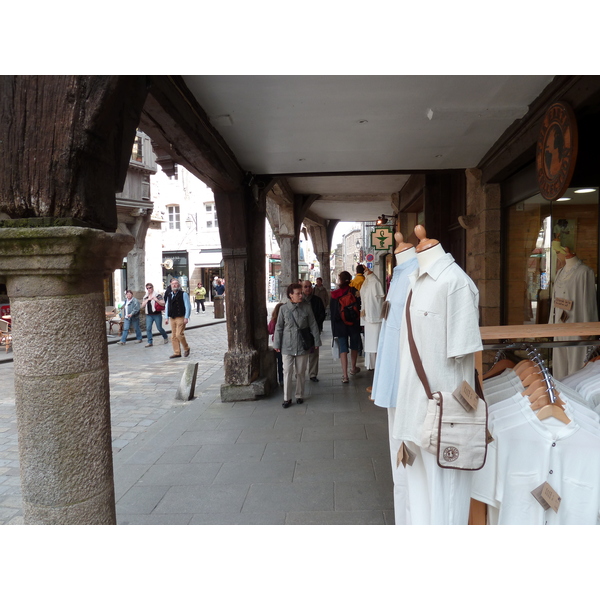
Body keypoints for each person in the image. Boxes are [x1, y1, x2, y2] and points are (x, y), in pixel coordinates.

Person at [273, 283, 321, 408]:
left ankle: (299, 395)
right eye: (298, 293)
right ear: (290, 295)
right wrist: (276, 343)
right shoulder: (283, 309)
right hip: (287, 345)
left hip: (302, 344)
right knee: (287, 371)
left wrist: (317, 341)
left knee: (300, 371)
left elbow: (313, 324)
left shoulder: (306, 307)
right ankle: (286, 398)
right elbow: (278, 328)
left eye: (301, 293)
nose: (301, 295)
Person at [331, 271, 362, 383]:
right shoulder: (355, 292)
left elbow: (333, 313)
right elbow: (359, 307)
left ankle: (344, 375)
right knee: (354, 345)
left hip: (340, 325)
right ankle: (353, 368)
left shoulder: (335, 294)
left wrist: (334, 330)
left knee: (343, 348)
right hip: (353, 323)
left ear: (340, 280)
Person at [302, 280, 326, 382]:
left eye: (309, 286)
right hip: (302, 331)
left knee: (314, 352)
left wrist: (316, 324)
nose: (308, 289)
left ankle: (313, 374)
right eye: (305, 287)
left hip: (314, 329)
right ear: (302, 288)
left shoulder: (317, 300)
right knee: (302, 353)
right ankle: (300, 373)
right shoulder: (299, 300)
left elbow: (322, 313)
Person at [164, 277, 191, 358]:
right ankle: (177, 352)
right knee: (173, 336)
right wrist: (166, 317)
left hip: (180, 317)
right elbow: (167, 306)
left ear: (178, 285)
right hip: (172, 317)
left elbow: (187, 306)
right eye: (172, 284)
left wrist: (186, 317)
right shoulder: (169, 294)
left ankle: (186, 348)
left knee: (179, 334)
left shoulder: (183, 294)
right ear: (170, 285)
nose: (174, 285)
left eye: (176, 284)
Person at [141, 283, 169, 347]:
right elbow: (142, 305)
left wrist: (156, 300)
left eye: (150, 287)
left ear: (152, 288)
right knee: (148, 328)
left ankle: (165, 337)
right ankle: (150, 342)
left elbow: (163, 303)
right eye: (147, 288)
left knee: (159, 328)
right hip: (149, 314)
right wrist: (148, 299)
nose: (149, 289)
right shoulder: (146, 296)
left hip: (157, 314)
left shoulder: (157, 295)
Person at [268, 302, 285, 386]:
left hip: (277, 344)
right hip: (286, 343)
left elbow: (270, 331)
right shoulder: (286, 318)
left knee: (280, 363)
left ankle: (281, 379)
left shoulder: (274, 320)